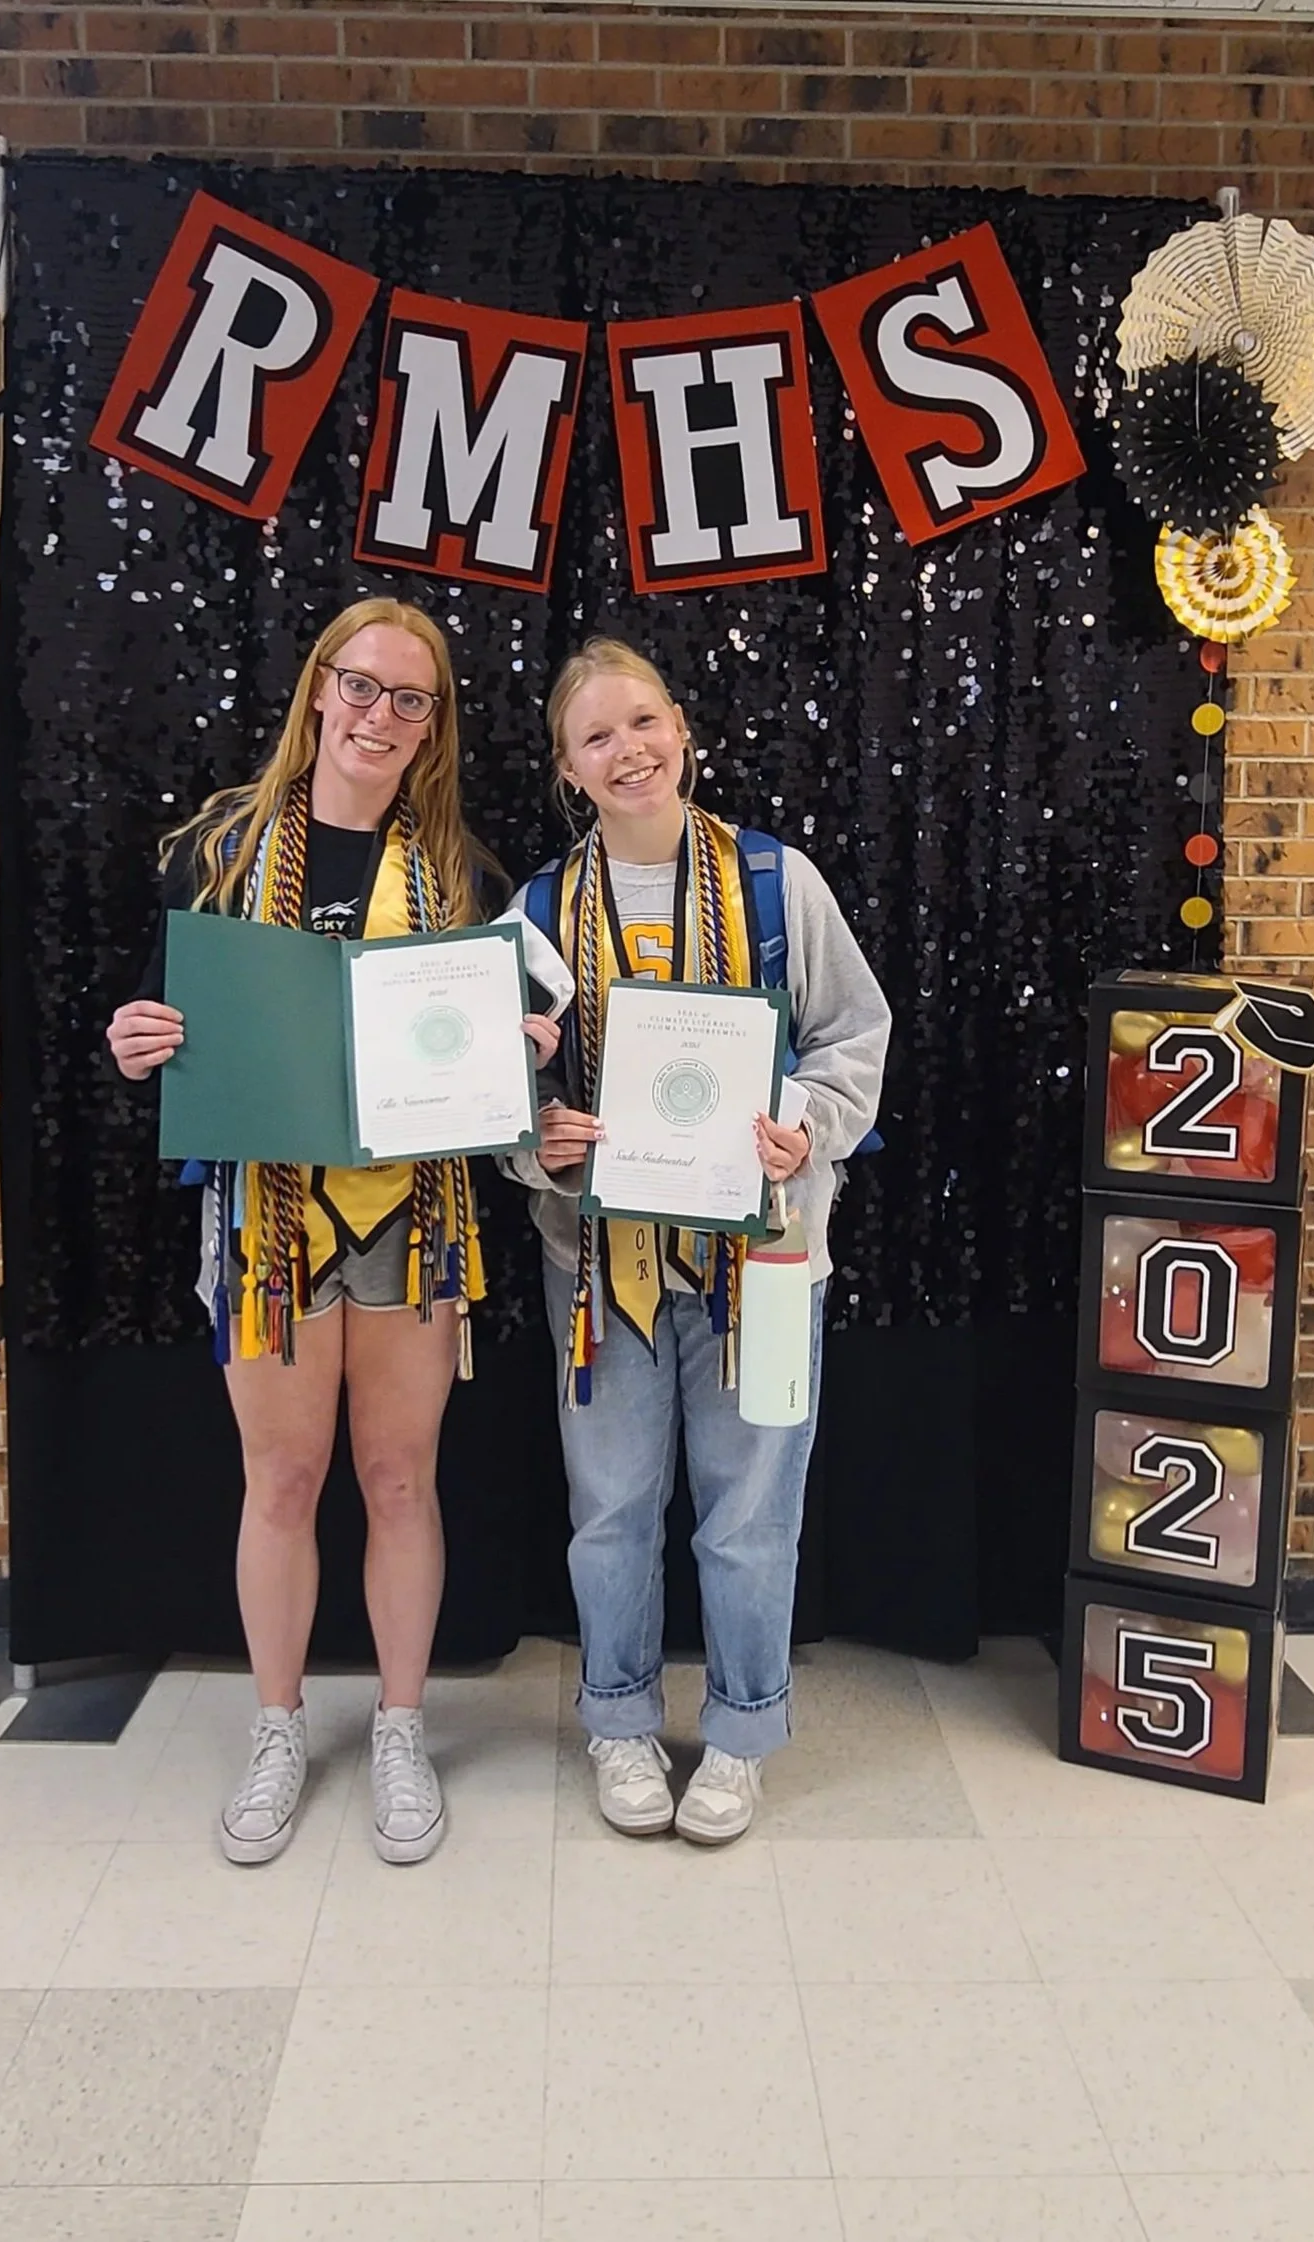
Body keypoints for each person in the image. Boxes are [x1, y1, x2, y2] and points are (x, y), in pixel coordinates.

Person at [106, 598, 558, 1869]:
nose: (377, 715)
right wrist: (135, 1040)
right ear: (318, 690)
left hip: (409, 1214)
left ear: (433, 724)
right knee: (284, 1480)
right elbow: (166, 1018)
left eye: (408, 699)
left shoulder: (464, 874)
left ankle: (402, 1726)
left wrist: (514, 1057)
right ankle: (277, 1725)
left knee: (401, 1477)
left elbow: (489, 1071)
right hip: (266, 1214)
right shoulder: (218, 848)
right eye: (359, 686)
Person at [505, 637, 890, 1845]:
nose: (628, 751)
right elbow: (492, 1096)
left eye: (643, 722)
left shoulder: (778, 883)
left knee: (751, 1515)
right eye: (597, 737)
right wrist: (539, 1141)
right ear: (569, 769)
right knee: (611, 1508)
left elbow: (853, 1037)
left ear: (683, 729)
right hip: (598, 1266)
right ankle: (619, 1720)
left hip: (764, 1260)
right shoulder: (531, 913)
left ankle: (737, 1734)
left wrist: (803, 1128)